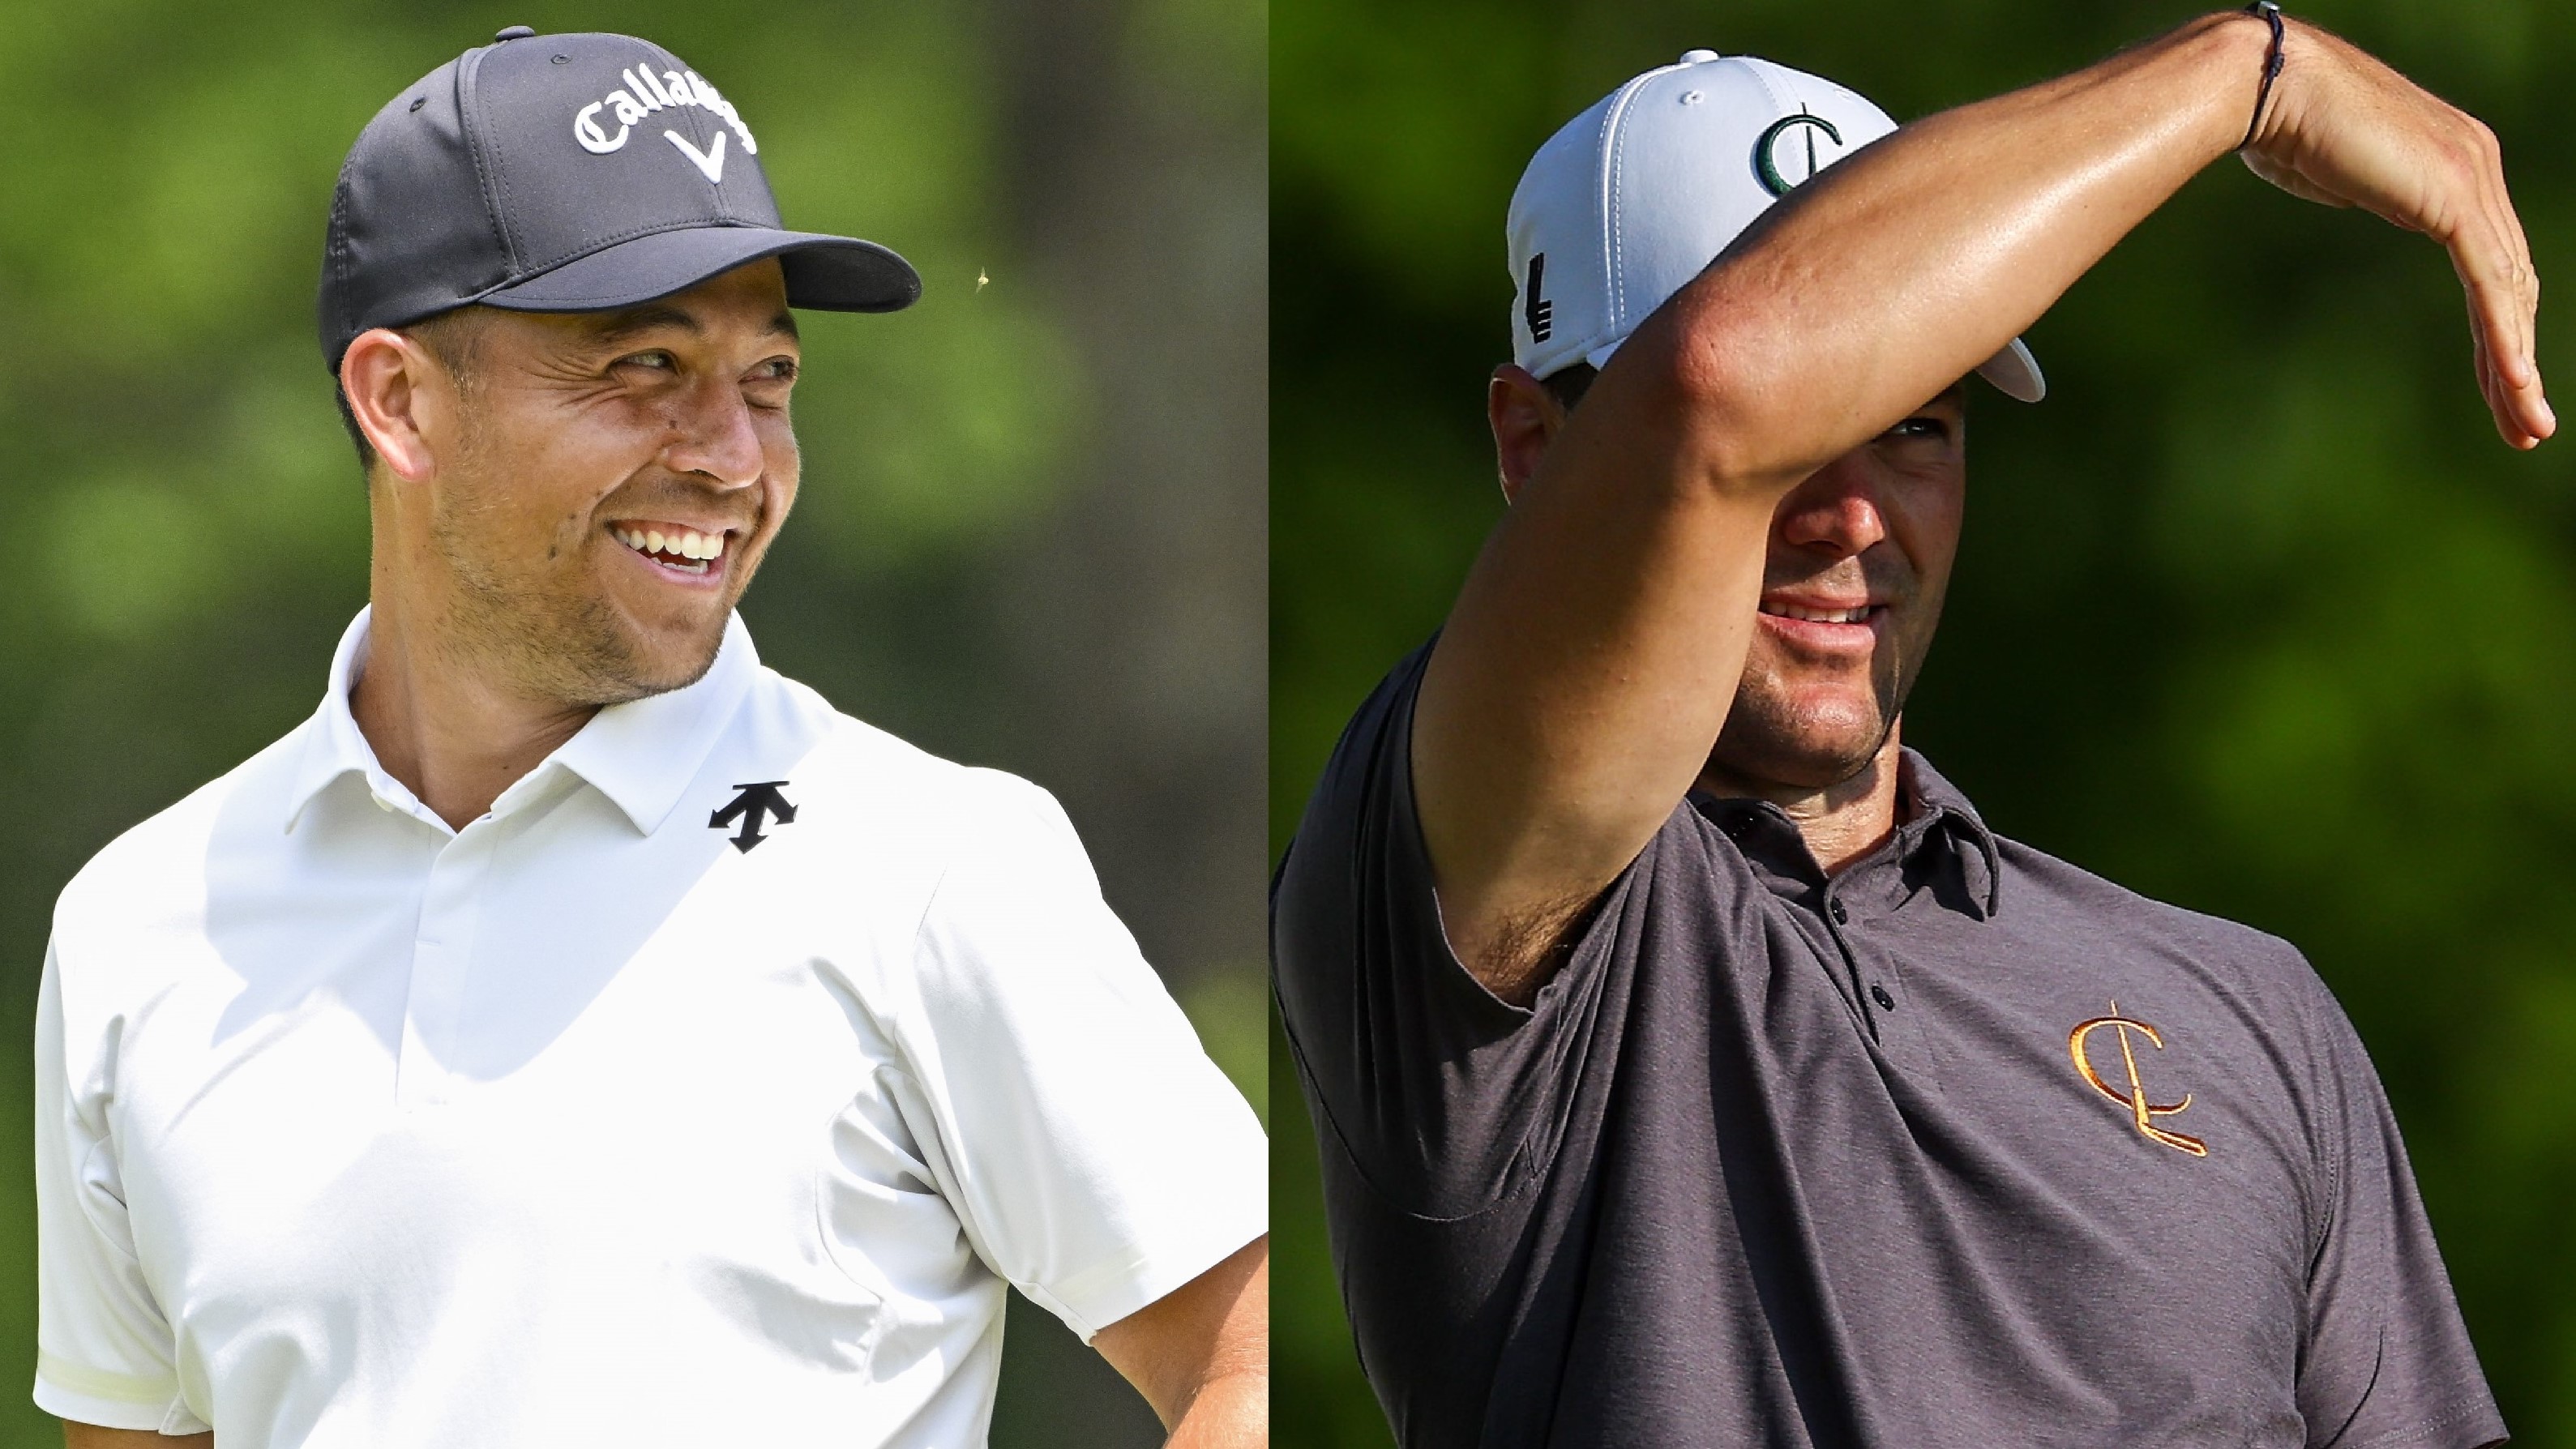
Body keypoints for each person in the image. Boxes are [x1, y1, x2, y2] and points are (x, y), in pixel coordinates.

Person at [1272, 8, 2544, 1447]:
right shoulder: (1478, 891)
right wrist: (2255, 75)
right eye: (1798, 448)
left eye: (1917, 426)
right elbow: (1720, 382)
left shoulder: (2249, 1014)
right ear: (1530, 448)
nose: (1851, 517)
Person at [35, 27, 1267, 1449]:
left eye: (767, 380)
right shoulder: (141, 923)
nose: (734, 460)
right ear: (400, 402)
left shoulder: (930, 861)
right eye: (643, 366)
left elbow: (1245, 1362)